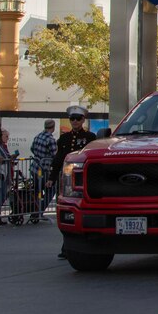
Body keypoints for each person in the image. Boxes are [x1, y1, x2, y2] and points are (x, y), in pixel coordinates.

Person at [50, 105, 96, 259]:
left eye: (77, 119)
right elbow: (58, 160)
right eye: (72, 119)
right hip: (66, 180)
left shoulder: (90, 138)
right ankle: (66, 247)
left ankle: (76, 246)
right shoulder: (63, 139)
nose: (74, 122)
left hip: (80, 180)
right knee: (66, 213)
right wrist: (51, 178)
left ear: (83, 120)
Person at [30, 119, 58, 221]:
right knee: (51, 189)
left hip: (34, 168)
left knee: (37, 190)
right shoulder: (50, 140)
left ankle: (35, 211)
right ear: (53, 127)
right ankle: (39, 211)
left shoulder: (38, 136)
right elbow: (55, 155)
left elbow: (32, 148)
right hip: (44, 169)